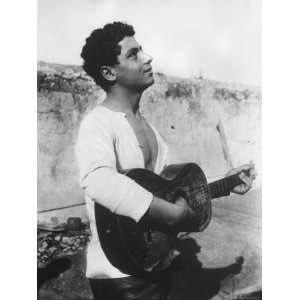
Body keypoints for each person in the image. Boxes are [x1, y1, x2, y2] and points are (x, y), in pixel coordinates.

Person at [76, 21, 256, 300]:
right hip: (119, 276)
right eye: (133, 55)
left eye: (142, 50)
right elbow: (97, 180)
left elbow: (167, 192)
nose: (147, 58)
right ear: (109, 72)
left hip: (154, 261)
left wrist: (226, 183)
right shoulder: (98, 123)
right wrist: (172, 215)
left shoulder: (150, 130)